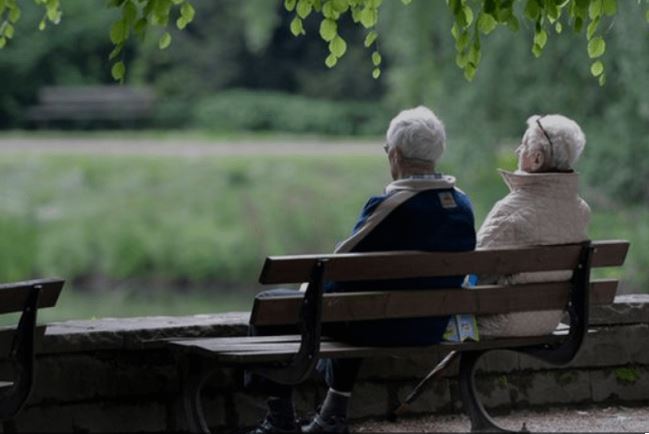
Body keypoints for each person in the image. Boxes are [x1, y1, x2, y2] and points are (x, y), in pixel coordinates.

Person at [248, 106, 476, 433]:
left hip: (381, 326)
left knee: (277, 304)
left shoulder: (390, 206)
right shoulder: (463, 205)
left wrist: (306, 294)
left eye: (387, 151)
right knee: (359, 300)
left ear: (395, 154)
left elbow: (339, 265)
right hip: (429, 325)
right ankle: (332, 414)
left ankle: (279, 419)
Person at [476, 114, 590, 337]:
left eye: (524, 144)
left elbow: (473, 269)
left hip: (501, 321)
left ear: (536, 160)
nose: (518, 151)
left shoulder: (510, 210)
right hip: (548, 321)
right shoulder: (581, 210)